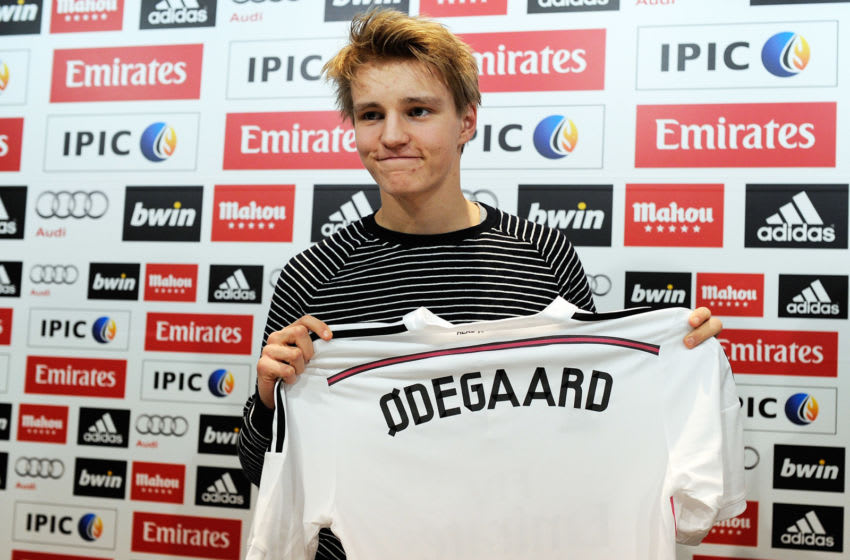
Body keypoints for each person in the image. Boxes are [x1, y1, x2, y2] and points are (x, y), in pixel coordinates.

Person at [238, 9, 722, 560]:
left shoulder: (543, 256)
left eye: (418, 111)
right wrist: (268, 399)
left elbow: (590, 433)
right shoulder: (314, 274)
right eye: (371, 114)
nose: (392, 136)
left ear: (467, 121)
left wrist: (672, 362)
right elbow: (265, 473)